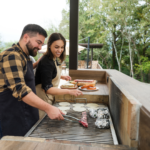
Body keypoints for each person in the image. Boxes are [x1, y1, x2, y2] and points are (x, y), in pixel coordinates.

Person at [0, 24, 64, 138]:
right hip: (12, 117)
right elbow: (20, 89)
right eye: (38, 42)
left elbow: (24, 72)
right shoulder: (11, 55)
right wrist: (48, 108)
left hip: (25, 113)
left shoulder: (25, 56)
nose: (40, 47)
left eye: (42, 44)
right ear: (26, 37)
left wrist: (36, 64)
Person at [35, 33, 83, 118]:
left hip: (48, 97)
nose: (60, 50)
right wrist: (69, 91)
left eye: (62, 47)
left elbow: (49, 73)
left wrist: (62, 76)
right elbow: (47, 89)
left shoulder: (54, 58)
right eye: (56, 47)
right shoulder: (47, 61)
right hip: (42, 98)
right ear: (49, 45)